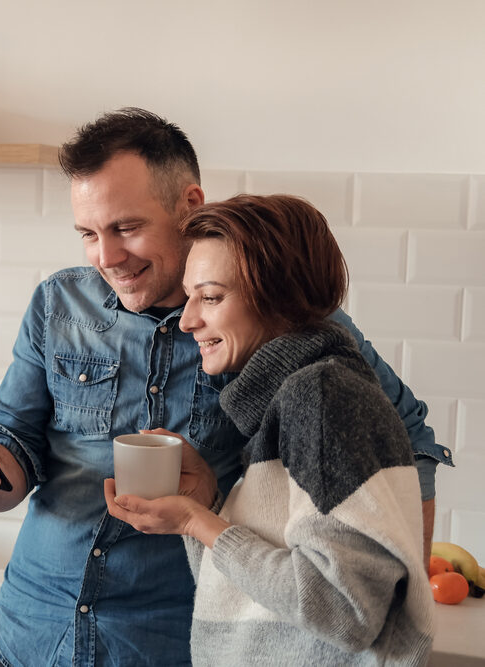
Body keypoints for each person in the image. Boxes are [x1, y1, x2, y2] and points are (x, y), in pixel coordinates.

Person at [0, 108, 449, 667]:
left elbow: (409, 439)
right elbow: (16, 439)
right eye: (88, 233)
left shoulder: (279, 320)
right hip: (30, 634)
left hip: (168, 644)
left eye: (127, 228)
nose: (106, 257)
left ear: (190, 205)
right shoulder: (59, 304)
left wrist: (402, 618)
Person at [105, 194, 435, 665]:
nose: (187, 319)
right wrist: (205, 507)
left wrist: (198, 522)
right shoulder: (286, 400)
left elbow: (347, 612)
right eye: (190, 295)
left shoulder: (322, 395)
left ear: (278, 297)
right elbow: (253, 605)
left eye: (212, 297)